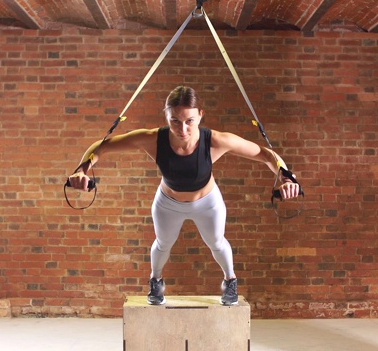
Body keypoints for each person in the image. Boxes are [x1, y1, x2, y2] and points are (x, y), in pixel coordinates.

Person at [67, 86, 300, 306]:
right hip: (168, 203)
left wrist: (287, 178)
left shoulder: (216, 141)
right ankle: (155, 282)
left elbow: (266, 154)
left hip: (208, 203)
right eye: (175, 121)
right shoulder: (153, 139)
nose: (183, 129)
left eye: (190, 121)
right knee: (163, 243)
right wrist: (81, 170)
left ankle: (230, 281)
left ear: (200, 115)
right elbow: (101, 146)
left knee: (217, 242)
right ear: (166, 116)